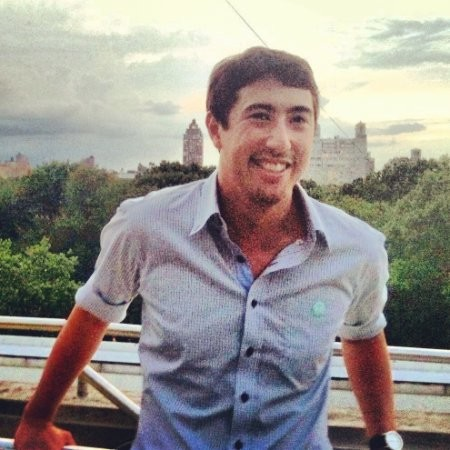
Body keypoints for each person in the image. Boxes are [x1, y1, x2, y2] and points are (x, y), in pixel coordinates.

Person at [14, 47, 403, 450]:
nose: (280, 140)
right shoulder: (148, 225)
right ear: (216, 130)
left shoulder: (357, 248)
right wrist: (37, 418)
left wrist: (384, 438)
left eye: (298, 119)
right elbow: (93, 314)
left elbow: (364, 334)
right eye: (260, 115)